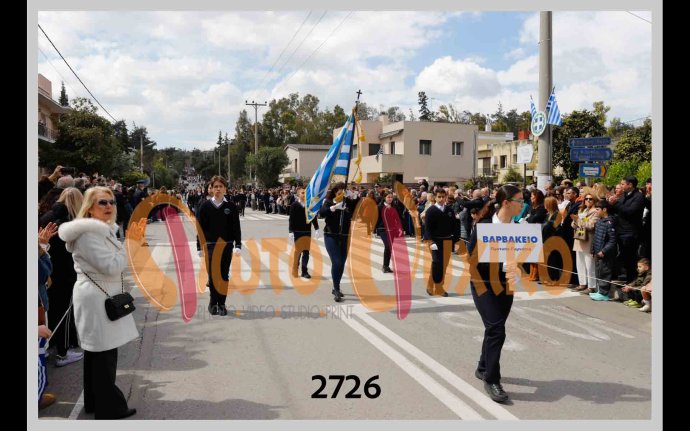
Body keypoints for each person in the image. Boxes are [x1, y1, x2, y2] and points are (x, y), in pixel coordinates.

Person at [57, 186, 138, 419]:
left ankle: (94, 401)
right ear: (90, 207)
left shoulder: (101, 230)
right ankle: (109, 408)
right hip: (96, 298)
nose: (109, 206)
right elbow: (111, 266)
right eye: (102, 202)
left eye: (111, 202)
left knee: (98, 352)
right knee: (103, 355)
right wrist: (129, 246)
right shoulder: (89, 234)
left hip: (99, 295)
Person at [466, 185, 524, 403]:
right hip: (483, 283)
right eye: (520, 201)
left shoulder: (520, 228)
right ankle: (492, 379)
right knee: (497, 329)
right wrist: (496, 262)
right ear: (506, 203)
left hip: (506, 285)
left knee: (493, 328)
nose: (523, 205)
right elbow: (471, 259)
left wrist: (518, 268)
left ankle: (483, 366)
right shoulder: (484, 226)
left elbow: (525, 257)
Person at [197, 176, 242, 316]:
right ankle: (213, 302)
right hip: (210, 245)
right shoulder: (205, 206)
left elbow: (236, 226)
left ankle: (222, 304)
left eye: (220, 186)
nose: (218, 189)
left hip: (226, 245)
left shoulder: (231, 206)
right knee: (213, 276)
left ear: (225, 189)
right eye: (215, 186)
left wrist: (238, 244)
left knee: (223, 275)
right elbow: (200, 228)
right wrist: (199, 246)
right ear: (211, 189)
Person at [319, 182, 360, 302]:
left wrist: (355, 196)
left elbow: (358, 208)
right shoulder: (329, 201)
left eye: (344, 191)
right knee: (336, 262)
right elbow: (322, 212)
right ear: (335, 192)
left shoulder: (348, 202)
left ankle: (336, 286)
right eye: (339, 191)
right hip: (331, 235)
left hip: (345, 236)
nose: (341, 193)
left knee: (341, 263)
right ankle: (336, 289)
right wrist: (333, 208)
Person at [423, 189, 455, 297]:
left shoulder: (449, 210)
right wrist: (431, 241)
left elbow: (454, 226)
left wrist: (456, 240)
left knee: (444, 265)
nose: (441, 199)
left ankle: (438, 287)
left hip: (447, 240)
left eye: (443, 197)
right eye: (439, 197)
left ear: (446, 197)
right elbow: (427, 228)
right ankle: (432, 286)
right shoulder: (431, 211)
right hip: (434, 241)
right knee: (437, 264)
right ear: (435, 198)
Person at [288, 187, 320, 278]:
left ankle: (304, 271)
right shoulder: (294, 205)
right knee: (298, 251)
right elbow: (291, 219)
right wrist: (290, 231)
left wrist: (316, 228)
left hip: (307, 231)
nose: (304, 194)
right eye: (302, 193)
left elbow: (313, 217)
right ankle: (295, 269)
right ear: (298, 194)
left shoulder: (309, 205)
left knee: (306, 252)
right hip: (297, 231)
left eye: (306, 193)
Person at [589, 200, 617, 301]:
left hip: (605, 254)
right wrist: (593, 250)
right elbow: (595, 237)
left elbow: (612, 240)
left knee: (605, 272)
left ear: (604, 209)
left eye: (597, 209)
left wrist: (604, 251)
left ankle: (604, 294)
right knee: (599, 272)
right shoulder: (600, 221)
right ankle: (599, 291)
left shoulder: (609, 222)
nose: (596, 211)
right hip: (597, 252)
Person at [377, 192, 403, 273]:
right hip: (383, 229)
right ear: (384, 198)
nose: (390, 199)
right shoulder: (379, 207)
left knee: (390, 247)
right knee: (388, 245)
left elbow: (398, 218)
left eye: (391, 197)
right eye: (388, 197)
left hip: (392, 229)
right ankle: (385, 266)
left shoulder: (395, 207)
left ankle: (386, 266)